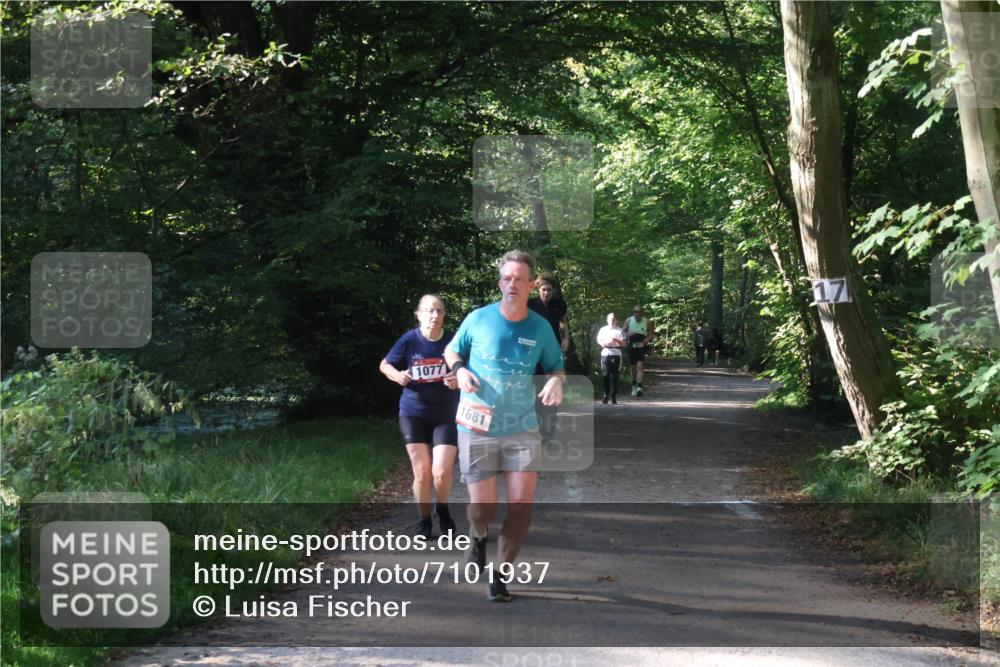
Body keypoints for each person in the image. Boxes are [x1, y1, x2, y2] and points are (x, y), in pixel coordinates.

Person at [444, 250, 564, 602]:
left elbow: (556, 365)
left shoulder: (541, 328)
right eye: (507, 278)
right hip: (476, 424)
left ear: (531, 285)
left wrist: (556, 381)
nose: (513, 284)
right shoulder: (478, 319)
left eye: (519, 279)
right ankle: (477, 534)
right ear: (500, 283)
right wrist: (459, 370)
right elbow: (453, 351)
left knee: (521, 505)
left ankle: (500, 575)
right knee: (483, 507)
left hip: (521, 427)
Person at [379, 295, 460, 539]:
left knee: (442, 471)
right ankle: (424, 520)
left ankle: (442, 509)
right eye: (429, 311)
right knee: (422, 472)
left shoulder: (452, 341)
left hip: (446, 413)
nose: (434, 316)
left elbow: (468, 369)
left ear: (444, 314)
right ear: (419, 314)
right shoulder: (409, 340)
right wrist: (397, 376)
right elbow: (385, 365)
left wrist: (458, 379)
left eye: (439, 311)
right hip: (413, 412)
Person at [527, 274, 570, 446]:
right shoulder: (530, 305)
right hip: (535, 353)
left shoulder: (559, 305)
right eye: (543, 290)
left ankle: (548, 434)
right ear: (538, 290)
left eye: (549, 290)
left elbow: (564, 322)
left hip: (553, 352)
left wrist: (566, 338)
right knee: (537, 392)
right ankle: (536, 430)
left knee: (553, 391)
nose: (546, 293)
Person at [623, 305, 654, 397]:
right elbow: (622, 332)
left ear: (642, 313)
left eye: (639, 312)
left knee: (640, 365)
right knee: (633, 367)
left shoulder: (647, 321)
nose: (637, 313)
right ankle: (633, 387)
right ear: (633, 313)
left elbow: (651, 332)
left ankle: (639, 387)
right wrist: (628, 334)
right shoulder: (628, 320)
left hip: (641, 343)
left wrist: (647, 339)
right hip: (632, 343)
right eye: (635, 312)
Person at [596, 313, 626, 404]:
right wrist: (602, 343)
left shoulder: (620, 331)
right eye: (610, 319)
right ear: (607, 320)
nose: (612, 321)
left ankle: (613, 396)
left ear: (616, 320)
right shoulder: (603, 329)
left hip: (616, 354)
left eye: (614, 319)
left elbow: (624, 344)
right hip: (605, 353)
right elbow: (598, 339)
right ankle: (605, 395)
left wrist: (616, 340)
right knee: (606, 375)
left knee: (614, 376)